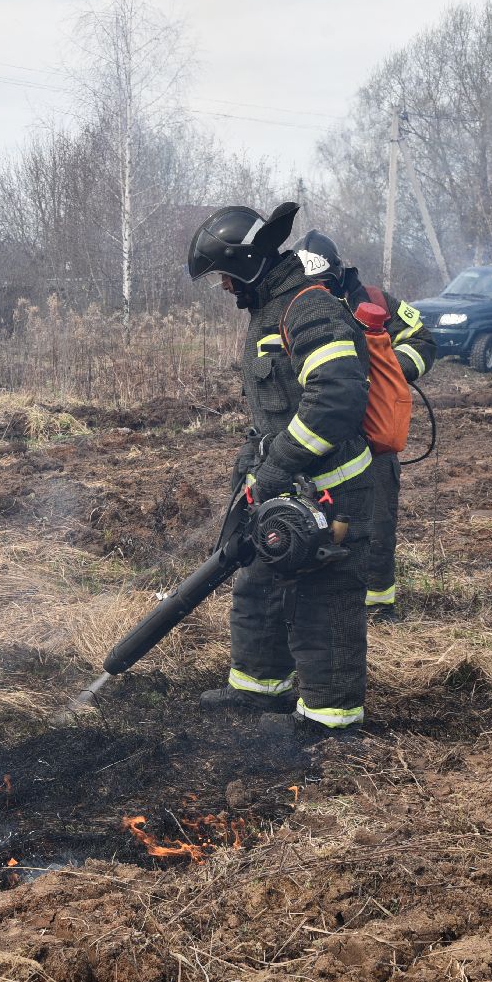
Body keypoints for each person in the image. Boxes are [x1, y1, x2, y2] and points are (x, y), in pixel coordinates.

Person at [186, 203, 375, 734]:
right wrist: (257, 469)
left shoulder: (308, 309)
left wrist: (280, 464)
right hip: (283, 482)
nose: (224, 287)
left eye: (225, 275)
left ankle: (329, 719)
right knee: (258, 582)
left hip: (332, 488)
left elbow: (336, 398)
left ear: (248, 264)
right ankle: (258, 690)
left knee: (323, 598)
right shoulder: (271, 310)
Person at [295, 230, 435, 617]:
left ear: (337, 273)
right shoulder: (293, 306)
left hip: (372, 434)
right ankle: (323, 601)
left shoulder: (374, 301)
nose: (317, 290)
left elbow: (422, 338)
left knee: (377, 523)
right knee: (313, 518)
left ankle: (377, 607)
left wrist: (393, 368)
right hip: (320, 435)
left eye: (323, 283)